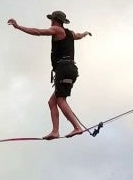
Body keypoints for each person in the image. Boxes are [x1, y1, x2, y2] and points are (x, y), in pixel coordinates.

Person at [7, 10, 93, 139]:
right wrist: (85, 33)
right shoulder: (70, 33)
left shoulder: (57, 30)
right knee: (52, 102)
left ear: (55, 20)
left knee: (60, 100)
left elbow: (38, 32)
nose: (50, 22)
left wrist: (18, 27)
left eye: (52, 19)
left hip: (63, 69)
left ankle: (77, 127)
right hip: (70, 69)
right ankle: (55, 131)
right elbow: (78, 35)